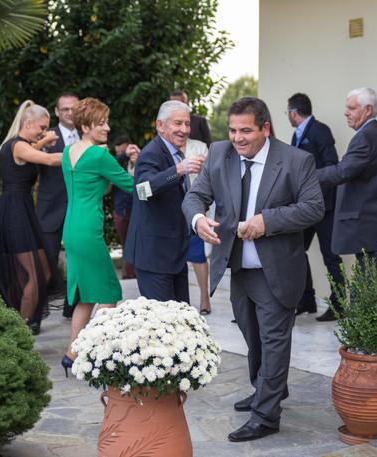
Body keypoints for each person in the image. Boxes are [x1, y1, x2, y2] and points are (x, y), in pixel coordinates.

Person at [183, 96, 324, 441]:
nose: (237, 138)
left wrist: (267, 221)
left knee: (274, 341)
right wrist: (198, 219)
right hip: (237, 268)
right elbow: (195, 196)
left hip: (277, 271)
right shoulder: (220, 153)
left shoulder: (296, 160)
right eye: (232, 130)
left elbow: (313, 208)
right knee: (253, 337)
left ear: (265, 128)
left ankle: (266, 415)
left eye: (245, 130)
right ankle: (267, 388)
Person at [317, 87, 377, 320]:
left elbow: (342, 172)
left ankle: (370, 339)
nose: (346, 113)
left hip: (364, 227)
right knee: (373, 284)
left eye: (351, 108)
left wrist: (303, 175)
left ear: (368, 110)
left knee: (367, 291)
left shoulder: (365, 138)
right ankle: (375, 335)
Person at [61, 98, 133, 375]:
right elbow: (131, 185)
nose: (107, 128)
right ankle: (97, 353)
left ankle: (72, 354)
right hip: (89, 230)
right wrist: (166, 180)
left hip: (71, 229)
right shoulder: (100, 156)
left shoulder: (68, 152)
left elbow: (98, 187)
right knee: (109, 292)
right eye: (101, 123)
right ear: (85, 126)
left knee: (87, 295)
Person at [0, 100, 62, 336]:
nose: (44, 132)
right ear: (28, 123)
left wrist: (42, 141)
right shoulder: (17, 146)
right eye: (42, 127)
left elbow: (35, 146)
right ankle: (19, 329)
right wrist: (81, 152)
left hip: (20, 209)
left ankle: (19, 324)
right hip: (15, 212)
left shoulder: (18, 144)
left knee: (40, 272)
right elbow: (49, 160)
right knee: (36, 274)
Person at [124, 100, 204, 303]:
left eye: (187, 124)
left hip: (175, 254)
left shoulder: (175, 152)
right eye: (178, 123)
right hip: (154, 257)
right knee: (162, 319)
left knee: (182, 317)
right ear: (160, 126)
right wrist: (178, 170)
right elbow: (142, 190)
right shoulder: (151, 153)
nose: (184, 129)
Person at [286, 93, 343, 321]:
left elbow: (332, 165)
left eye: (287, 112)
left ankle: (339, 306)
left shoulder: (320, 130)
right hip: (304, 206)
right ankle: (307, 299)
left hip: (324, 205)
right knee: (296, 250)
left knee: (330, 255)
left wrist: (315, 190)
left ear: (293, 113)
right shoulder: (296, 135)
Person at [37, 92, 79, 315]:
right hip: (50, 207)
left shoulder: (88, 134)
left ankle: (72, 308)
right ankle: (36, 312)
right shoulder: (46, 136)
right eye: (65, 109)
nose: (70, 113)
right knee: (45, 261)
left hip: (79, 207)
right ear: (57, 111)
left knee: (78, 259)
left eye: (74, 108)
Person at [183, 137, 212, 315]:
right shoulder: (158, 149)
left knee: (197, 253)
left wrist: (205, 166)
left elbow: (212, 173)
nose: (182, 128)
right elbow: (142, 184)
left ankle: (204, 296)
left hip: (193, 207)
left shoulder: (199, 147)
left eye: (186, 124)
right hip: (169, 208)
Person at [112, 136, 139, 279]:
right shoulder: (115, 165)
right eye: (118, 153)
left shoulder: (138, 161)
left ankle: (136, 273)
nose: (122, 155)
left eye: (124, 151)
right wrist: (124, 156)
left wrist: (136, 160)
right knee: (125, 244)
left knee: (138, 243)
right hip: (120, 211)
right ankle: (129, 274)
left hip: (136, 211)